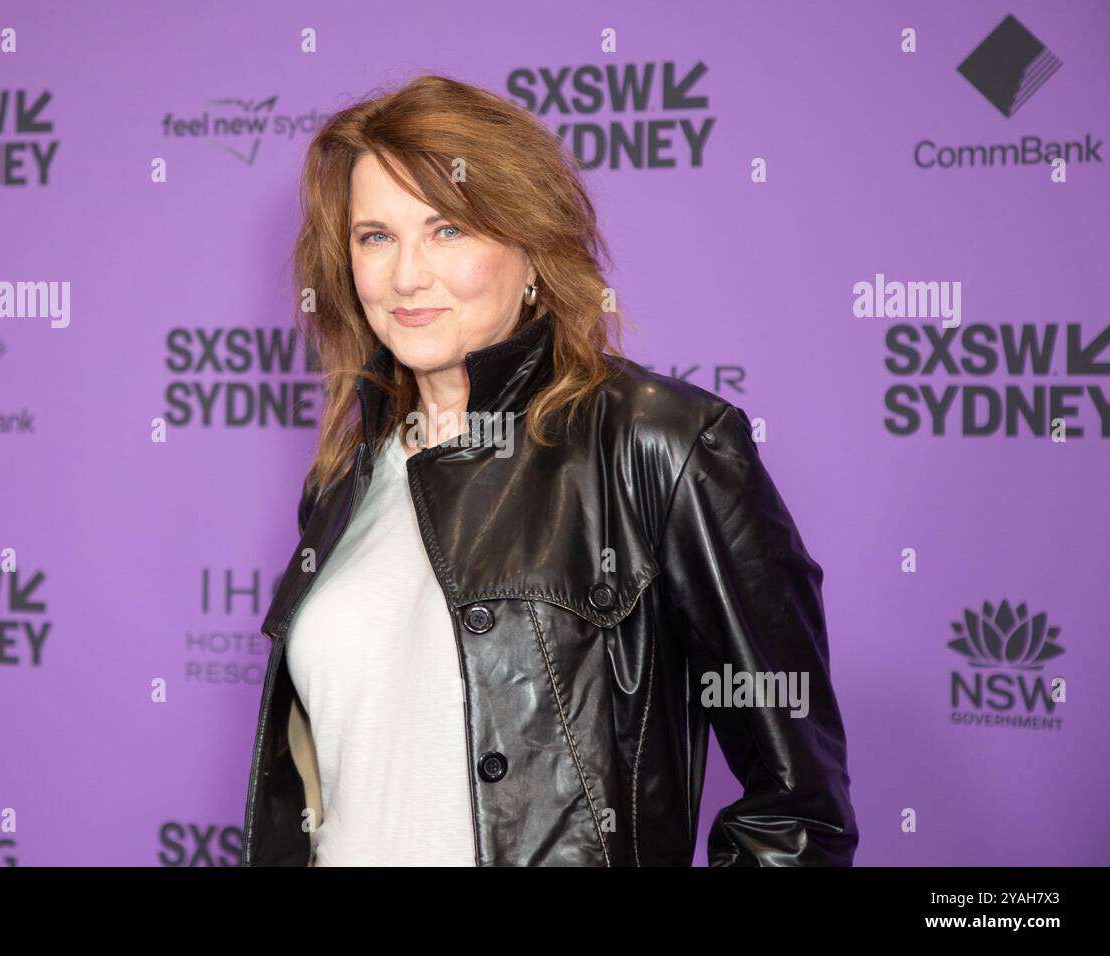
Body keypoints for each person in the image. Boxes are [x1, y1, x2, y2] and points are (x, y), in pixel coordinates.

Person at [243, 74, 859, 866]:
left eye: (448, 231)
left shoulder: (659, 444)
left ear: (530, 244)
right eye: (376, 237)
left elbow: (798, 812)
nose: (405, 276)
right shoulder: (343, 482)